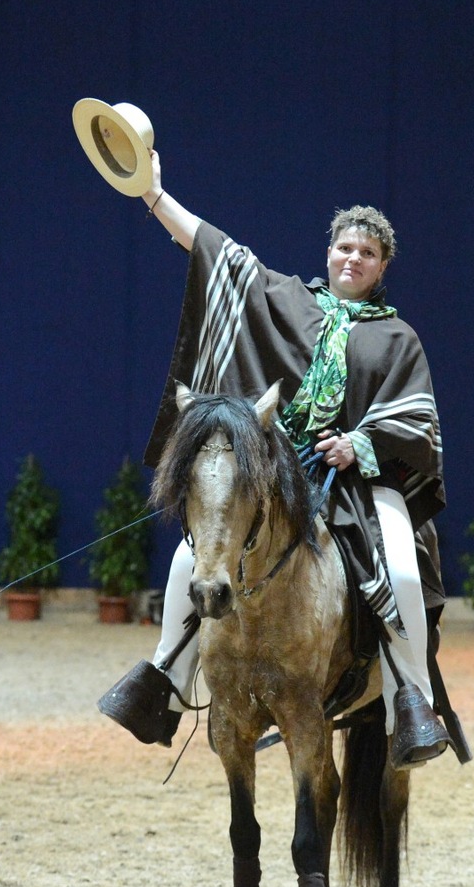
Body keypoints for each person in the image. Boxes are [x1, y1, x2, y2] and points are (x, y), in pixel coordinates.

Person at [100, 149, 452, 769]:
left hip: (360, 482)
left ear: (382, 266)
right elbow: (216, 253)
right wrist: (153, 195)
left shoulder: (399, 338)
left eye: (367, 254)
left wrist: (360, 443)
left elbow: (416, 419)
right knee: (192, 554)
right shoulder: (289, 301)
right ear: (329, 252)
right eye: (345, 247)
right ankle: (167, 675)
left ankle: (410, 703)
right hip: (282, 478)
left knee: (400, 568)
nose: (353, 259)